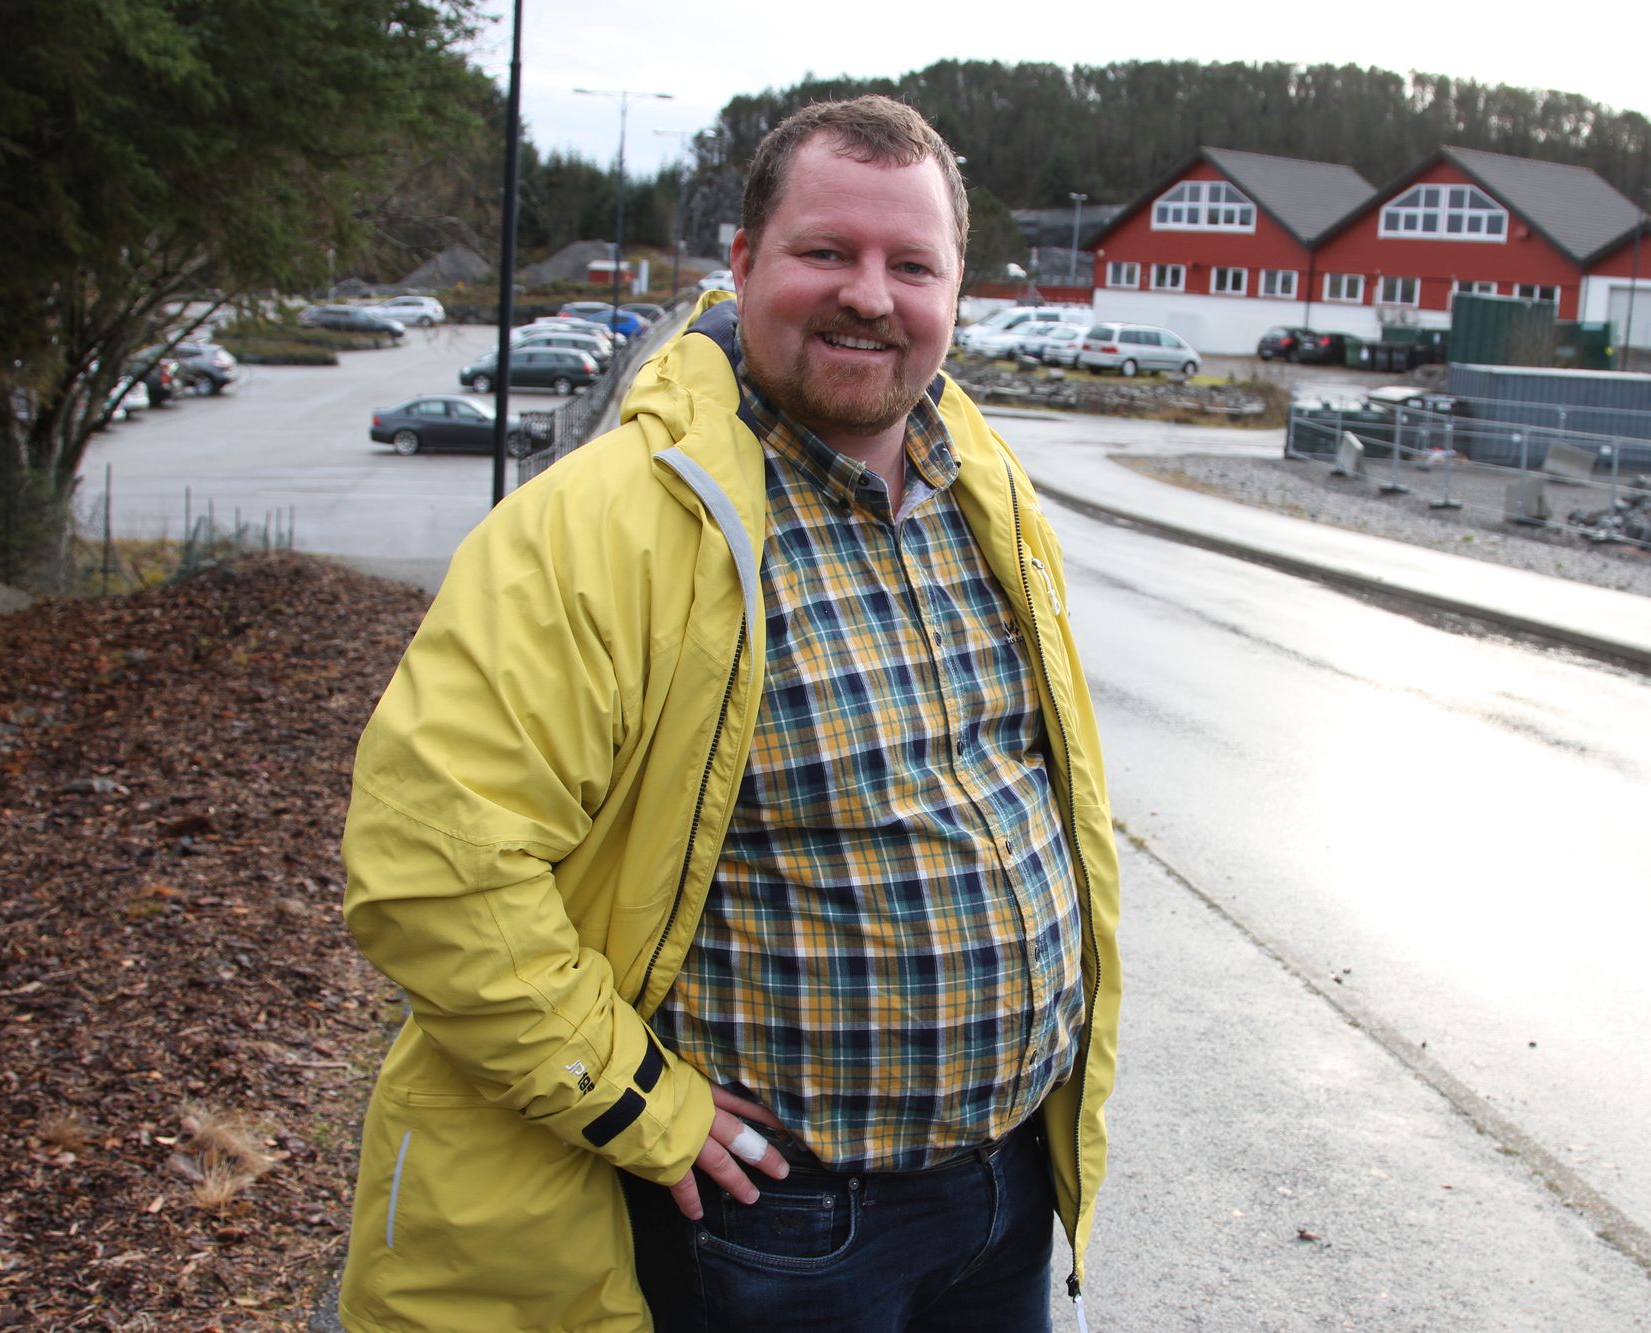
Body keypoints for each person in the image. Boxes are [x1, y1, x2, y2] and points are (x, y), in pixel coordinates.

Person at [335, 95, 1120, 1333]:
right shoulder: (600, 526)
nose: (871, 293)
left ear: (954, 292)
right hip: (778, 1228)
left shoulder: (988, 494)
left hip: (1005, 1197)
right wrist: (641, 1103)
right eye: (827, 252)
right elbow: (431, 869)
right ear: (743, 264)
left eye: (911, 265)